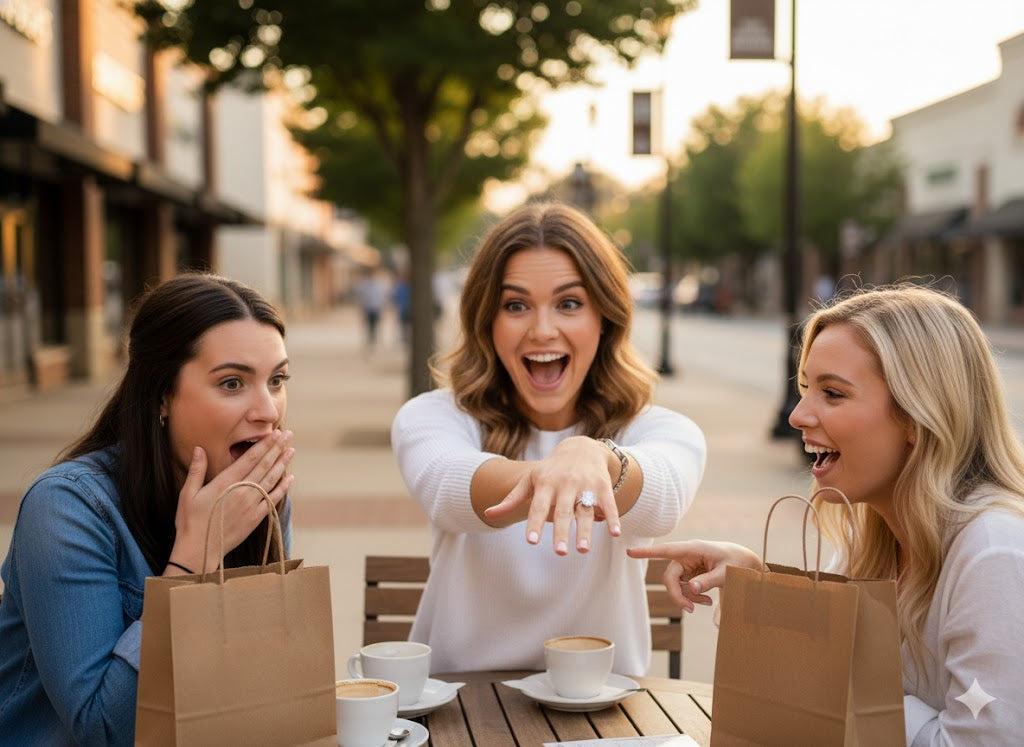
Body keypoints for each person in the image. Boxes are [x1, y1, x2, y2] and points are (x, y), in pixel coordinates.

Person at [628, 284, 1024, 744]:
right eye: (804, 390)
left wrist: (847, 689)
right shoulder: (872, 538)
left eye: (832, 394)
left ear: (917, 417)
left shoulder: (995, 552)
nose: (797, 415)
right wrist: (761, 584)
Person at [391, 201, 706, 676]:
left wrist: (594, 454)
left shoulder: (662, 430)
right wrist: (569, 468)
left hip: (602, 714)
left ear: (605, 318)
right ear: (487, 323)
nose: (542, 330)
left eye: (569, 303)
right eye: (515, 305)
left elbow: (663, 502)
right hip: (461, 706)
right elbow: (448, 492)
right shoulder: (431, 416)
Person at [0, 273, 296, 745]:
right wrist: (195, 558)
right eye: (233, 382)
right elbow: (106, 730)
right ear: (161, 395)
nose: (268, 410)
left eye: (277, 380)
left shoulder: (256, 493)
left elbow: (253, 674)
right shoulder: (68, 509)